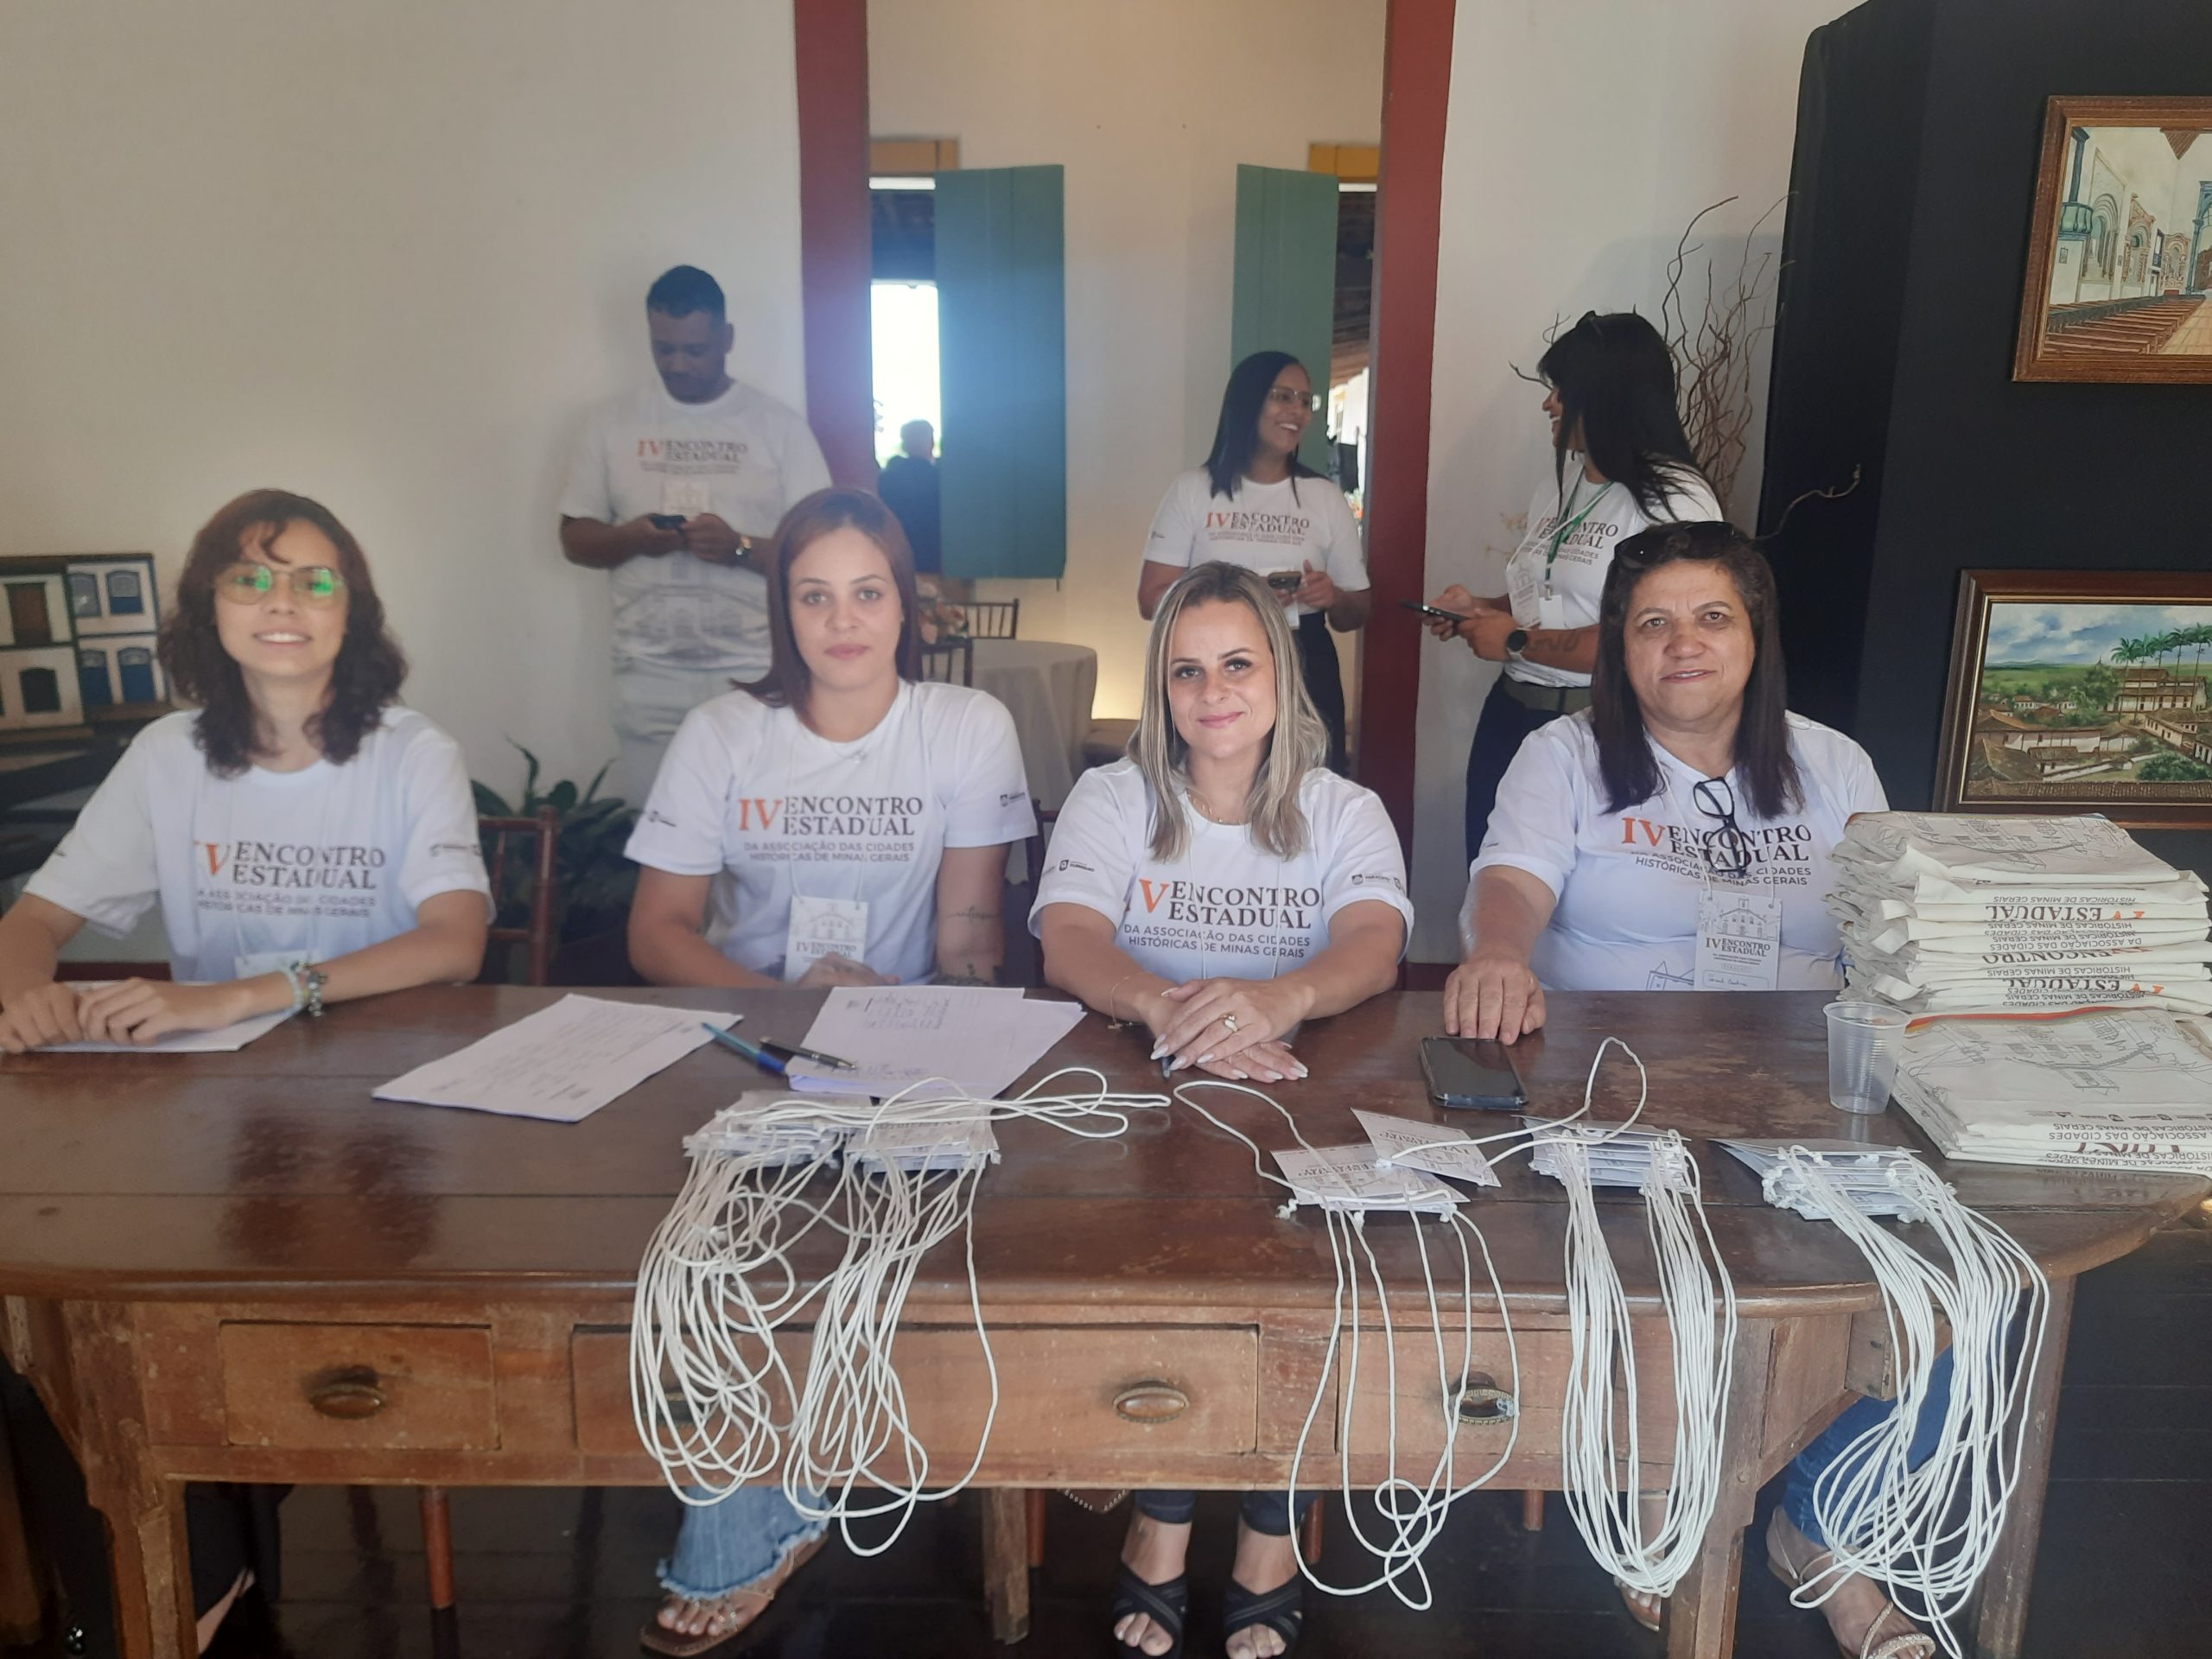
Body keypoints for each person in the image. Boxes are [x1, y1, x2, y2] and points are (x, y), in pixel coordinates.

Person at [0, 488, 492, 1650]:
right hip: (215, 1118)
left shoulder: (410, 750)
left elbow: (455, 940)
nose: (283, 602)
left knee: (188, 1319)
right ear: (207, 606)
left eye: (314, 580)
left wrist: (240, 991)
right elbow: (36, 918)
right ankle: (175, 1576)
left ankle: (188, 1570)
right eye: (251, 577)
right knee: (55, 1313)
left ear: (351, 610)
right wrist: (24, 992)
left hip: (382, 1124)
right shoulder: (168, 756)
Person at [1446, 522, 1936, 1659]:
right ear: (1619, 646)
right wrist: (1500, 954)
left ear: (1755, 636)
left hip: (1802, 1091)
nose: (1682, 644)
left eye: (1711, 617)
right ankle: (1661, 1480)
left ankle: (1825, 1531)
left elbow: (1893, 923)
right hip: (1610, 1088)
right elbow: (1508, 882)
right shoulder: (1563, 757)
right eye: (1651, 623)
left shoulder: (1834, 766)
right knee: (1652, 1269)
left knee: (1932, 1274)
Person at [623, 488, 1033, 1653]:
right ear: (782, 608)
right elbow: (657, 932)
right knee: (717, 1244)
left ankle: (789, 1496)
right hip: (746, 1047)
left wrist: (919, 1019)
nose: (843, 621)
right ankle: (771, 1502)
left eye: (867, 593)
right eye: (814, 596)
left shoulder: (964, 725)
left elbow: (970, 935)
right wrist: (789, 1008)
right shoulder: (723, 732)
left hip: (903, 1049)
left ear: (907, 606)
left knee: (873, 1235)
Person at [1035, 561, 1412, 1659]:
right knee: (1152, 1258)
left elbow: (1374, 946)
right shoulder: (1114, 797)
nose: (1213, 692)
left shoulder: (1344, 809)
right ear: (1161, 688)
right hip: (1139, 1101)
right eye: (1187, 671)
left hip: (1303, 1101)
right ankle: (1160, 1507)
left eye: (1237, 664)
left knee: (1307, 1282)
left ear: (1280, 674)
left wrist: (1277, 1000)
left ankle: (1267, 1527)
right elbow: (1067, 939)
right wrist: (1170, 1007)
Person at [1424, 310, 1720, 865]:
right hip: (1512, 714)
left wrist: (1514, 641)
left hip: (1603, 725)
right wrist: (1481, 609)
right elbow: (1557, 597)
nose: (1549, 404)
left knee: (1581, 894)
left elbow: (1655, 642)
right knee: (1494, 874)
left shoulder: (1676, 501)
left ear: (1605, 393)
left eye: (1561, 389)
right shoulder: (1561, 484)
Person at [559, 264, 833, 807]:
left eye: (695, 350)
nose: (678, 365)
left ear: (727, 339)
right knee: (659, 834)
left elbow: (823, 556)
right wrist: (633, 539)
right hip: (648, 672)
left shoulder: (777, 427)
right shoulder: (611, 424)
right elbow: (574, 540)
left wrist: (739, 548)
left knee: (757, 841)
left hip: (753, 668)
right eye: (664, 349)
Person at [1140, 353, 1370, 774]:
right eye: (1283, 396)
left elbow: (1357, 611)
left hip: (1304, 657)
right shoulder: (1192, 491)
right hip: (1210, 661)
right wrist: (1240, 601)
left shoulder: (1324, 497)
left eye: (1306, 401)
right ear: (1247, 401)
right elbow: (1151, 599)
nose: (1297, 411)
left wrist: (1333, 596)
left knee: (1309, 784)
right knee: (1211, 778)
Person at [877, 417, 942, 575]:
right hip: (938, 557)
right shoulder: (943, 479)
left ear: (904, 444)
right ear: (931, 443)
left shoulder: (887, 479)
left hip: (899, 555)